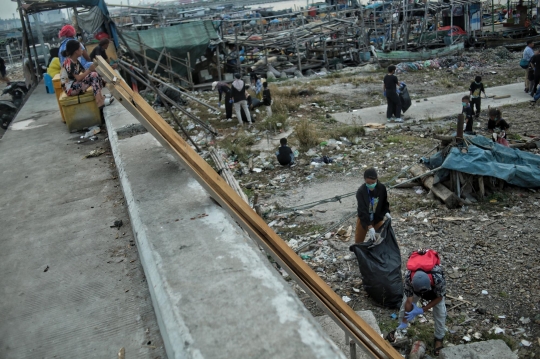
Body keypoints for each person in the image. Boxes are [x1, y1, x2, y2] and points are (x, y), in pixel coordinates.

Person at [393, 249, 447, 357]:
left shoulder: (438, 278)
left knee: (440, 312)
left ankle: (439, 338)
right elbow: (409, 301)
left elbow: (439, 298)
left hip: (434, 291)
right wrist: (405, 319)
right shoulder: (409, 278)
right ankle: (401, 330)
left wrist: (423, 309)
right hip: (415, 289)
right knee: (404, 306)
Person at [61, 40, 111, 108]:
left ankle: (101, 97)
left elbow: (84, 72)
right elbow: (78, 78)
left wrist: (98, 75)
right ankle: (99, 101)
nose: (82, 50)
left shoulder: (76, 61)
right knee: (93, 75)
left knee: (95, 74)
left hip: (75, 85)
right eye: (80, 48)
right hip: (70, 89)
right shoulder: (68, 62)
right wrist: (90, 70)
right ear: (76, 51)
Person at [355, 168, 390, 243]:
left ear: (376, 179)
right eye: (368, 183)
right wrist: (369, 226)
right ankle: (358, 253)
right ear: (365, 180)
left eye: (373, 182)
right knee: (359, 240)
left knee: (380, 238)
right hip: (364, 219)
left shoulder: (381, 188)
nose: (371, 185)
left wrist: (386, 212)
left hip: (377, 217)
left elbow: (384, 202)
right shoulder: (361, 192)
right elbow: (362, 210)